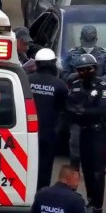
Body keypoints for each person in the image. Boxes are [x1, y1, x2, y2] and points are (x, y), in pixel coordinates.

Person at [66, 54, 106, 213]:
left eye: (88, 69)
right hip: (84, 131)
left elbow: (104, 110)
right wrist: (77, 113)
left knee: (98, 171)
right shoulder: (75, 85)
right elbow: (70, 106)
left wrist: (84, 112)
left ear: (95, 68)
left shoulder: (102, 85)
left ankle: (98, 206)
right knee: (86, 168)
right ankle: (91, 201)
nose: (85, 72)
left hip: (99, 132)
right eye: (81, 70)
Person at [29, 48, 69, 190]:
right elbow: (65, 108)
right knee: (45, 168)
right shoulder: (60, 85)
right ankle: (42, 193)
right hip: (49, 134)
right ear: (53, 63)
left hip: (27, 132)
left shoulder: (27, 80)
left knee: (26, 165)